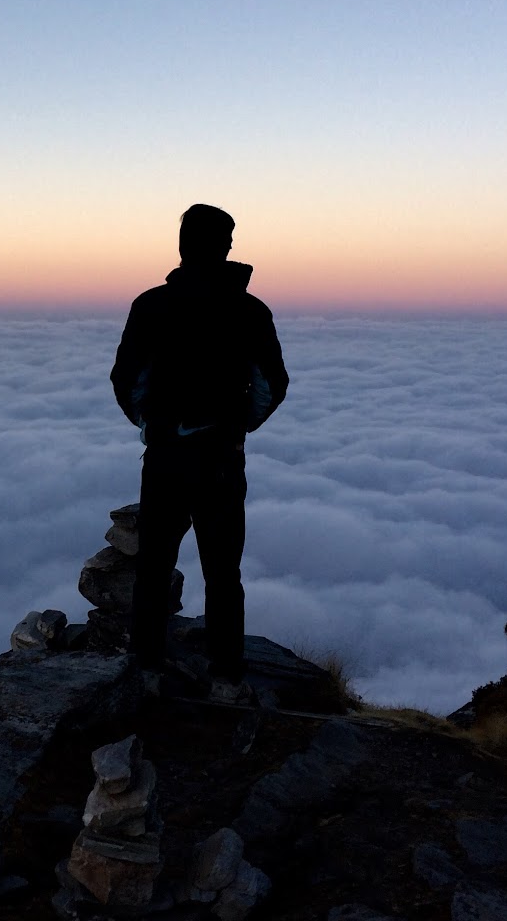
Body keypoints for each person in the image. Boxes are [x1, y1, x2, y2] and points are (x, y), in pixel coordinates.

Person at [110, 204, 288, 702]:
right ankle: (226, 679)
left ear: (183, 245)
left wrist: (152, 426)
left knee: (153, 567)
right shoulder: (250, 311)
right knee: (223, 572)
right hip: (221, 459)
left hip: (165, 457)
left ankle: (145, 671)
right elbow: (271, 384)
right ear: (224, 247)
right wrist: (237, 427)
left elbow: (127, 379)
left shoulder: (151, 306)